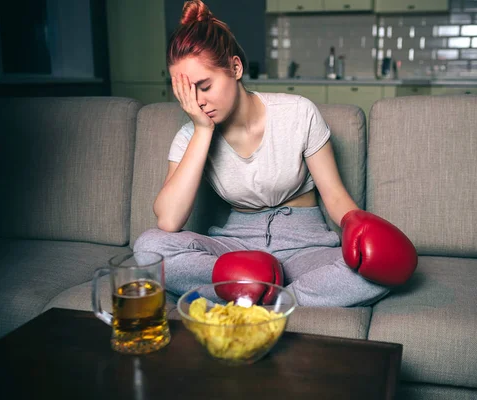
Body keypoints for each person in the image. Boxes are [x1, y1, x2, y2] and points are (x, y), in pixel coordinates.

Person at [134, 0, 418, 307]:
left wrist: (356, 223)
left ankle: (248, 295)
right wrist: (202, 130)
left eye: (204, 86)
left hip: (305, 246)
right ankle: (251, 287)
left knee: (374, 274)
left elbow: (335, 197)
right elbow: (168, 221)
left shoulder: (298, 113)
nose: (197, 102)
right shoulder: (190, 135)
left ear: (235, 67)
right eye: (186, 93)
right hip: (236, 249)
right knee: (148, 247)